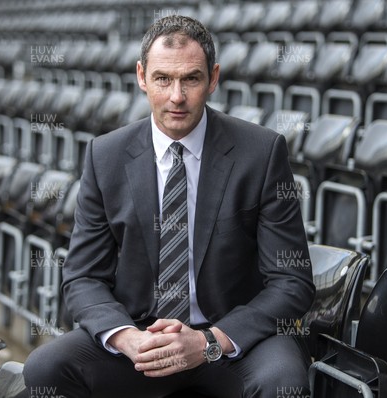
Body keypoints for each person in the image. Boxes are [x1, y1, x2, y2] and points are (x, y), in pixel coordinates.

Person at [24, 15, 315, 398]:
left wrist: (210, 341)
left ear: (213, 78)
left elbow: (291, 282)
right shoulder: (105, 156)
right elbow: (82, 277)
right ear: (142, 77)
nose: (177, 96)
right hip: (142, 338)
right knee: (45, 368)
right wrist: (127, 338)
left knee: (285, 383)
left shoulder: (260, 152)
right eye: (163, 79)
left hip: (230, 341)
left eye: (191, 79)